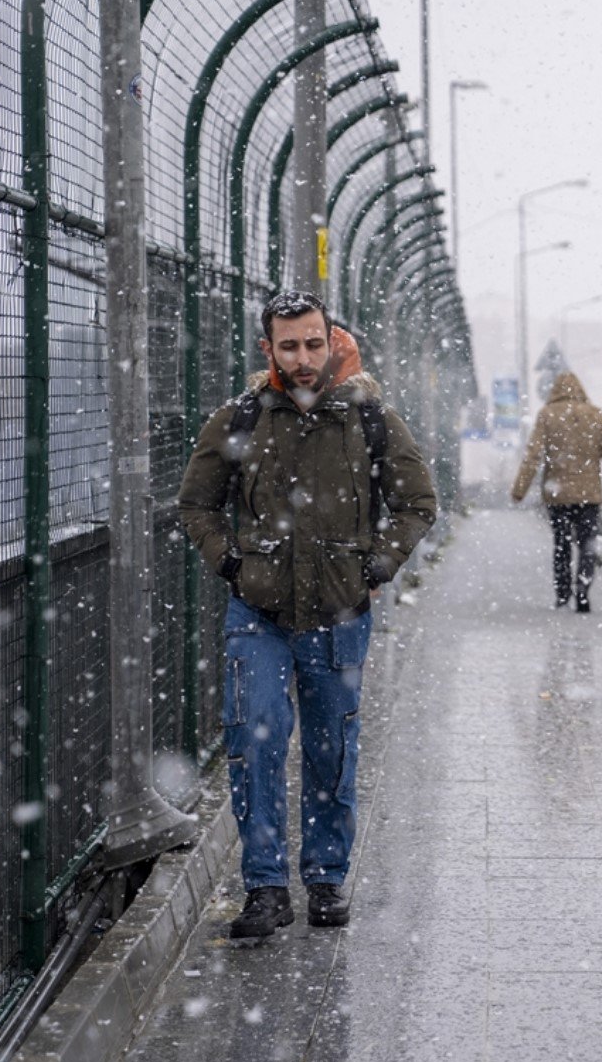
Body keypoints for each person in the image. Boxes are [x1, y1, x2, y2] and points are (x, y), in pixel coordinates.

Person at [178, 290, 437, 940]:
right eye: (288, 345)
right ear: (269, 349)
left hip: (338, 611)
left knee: (331, 746)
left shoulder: (368, 417)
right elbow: (197, 503)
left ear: (331, 341)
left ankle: (325, 876)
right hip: (258, 610)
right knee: (254, 737)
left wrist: (376, 566)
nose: (302, 357)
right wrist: (232, 565)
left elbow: (418, 500)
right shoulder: (240, 418)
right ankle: (265, 888)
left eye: (313, 343)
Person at [510, 371, 602, 613]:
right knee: (587, 545)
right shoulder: (595, 415)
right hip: (589, 496)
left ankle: (562, 594)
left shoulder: (547, 415)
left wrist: (519, 490)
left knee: (561, 544)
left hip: (558, 495)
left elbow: (533, 456)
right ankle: (583, 590)